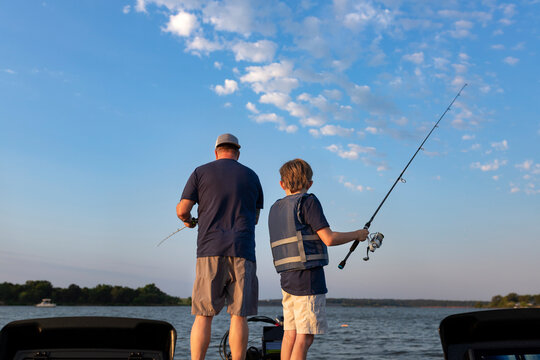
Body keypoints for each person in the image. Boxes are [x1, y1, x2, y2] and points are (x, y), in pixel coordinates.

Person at [268, 159, 369, 360]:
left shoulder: (275, 208)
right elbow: (329, 239)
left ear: (281, 184)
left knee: (290, 333)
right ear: (310, 183)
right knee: (304, 337)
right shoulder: (308, 202)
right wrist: (358, 234)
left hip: (286, 279)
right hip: (308, 279)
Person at [176, 133, 264, 360]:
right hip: (243, 251)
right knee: (239, 316)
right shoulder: (252, 176)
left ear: (216, 152)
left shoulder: (200, 172)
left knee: (203, 315)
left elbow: (182, 210)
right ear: (238, 153)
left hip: (209, 250)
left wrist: (188, 221)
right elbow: (254, 218)